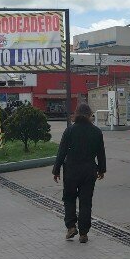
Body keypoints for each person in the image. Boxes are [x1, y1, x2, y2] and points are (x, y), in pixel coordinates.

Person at [52, 103, 106, 243]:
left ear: (76, 114)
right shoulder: (96, 132)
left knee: (69, 198)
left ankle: (71, 227)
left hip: (71, 170)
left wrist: (56, 170)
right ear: (89, 115)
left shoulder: (69, 131)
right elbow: (101, 153)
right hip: (89, 171)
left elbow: (61, 152)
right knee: (86, 202)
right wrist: (101, 169)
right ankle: (83, 233)